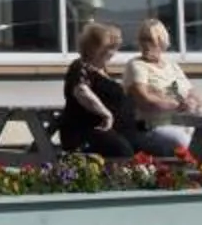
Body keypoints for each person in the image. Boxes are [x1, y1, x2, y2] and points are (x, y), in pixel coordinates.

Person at [58, 21, 141, 159]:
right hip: (87, 130)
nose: (113, 53)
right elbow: (81, 91)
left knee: (147, 148)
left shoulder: (103, 70)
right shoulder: (80, 66)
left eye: (115, 47)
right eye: (110, 48)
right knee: (122, 150)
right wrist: (106, 114)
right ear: (94, 47)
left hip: (117, 130)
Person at [124, 18, 201, 155]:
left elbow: (194, 95)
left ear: (162, 41)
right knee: (184, 143)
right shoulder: (137, 65)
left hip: (183, 124)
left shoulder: (172, 66)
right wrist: (176, 105)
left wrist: (192, 102)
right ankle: (197, 176)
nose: (145, 44)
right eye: (142, 39)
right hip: (152, 128)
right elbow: (144, 101)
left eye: (150, 39)